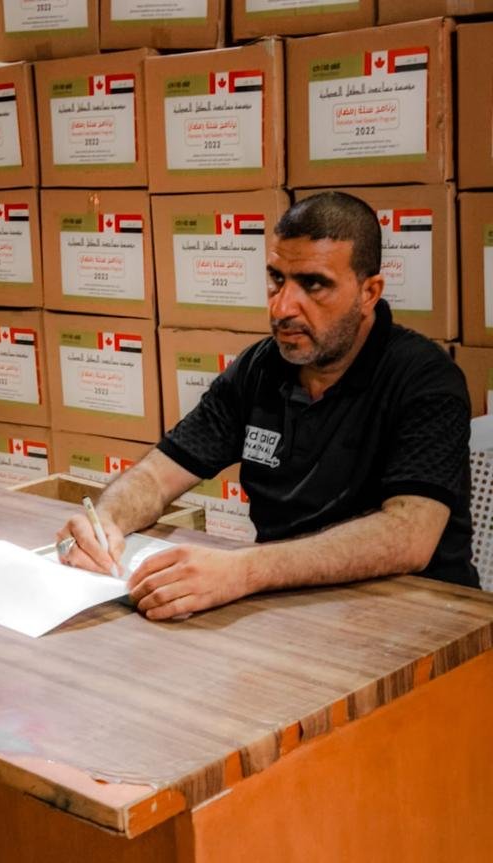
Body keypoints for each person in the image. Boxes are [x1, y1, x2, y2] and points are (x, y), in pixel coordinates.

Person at [57, 191, 479, 620]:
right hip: (290, 608)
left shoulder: (425, 379)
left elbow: (410, 535)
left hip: (422, 616)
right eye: (277, 279)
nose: (282, 307)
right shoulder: (260, 368)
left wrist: (246, 569)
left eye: (313, 285)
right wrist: (107, 520)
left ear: (369, 292)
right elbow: (157, 476)